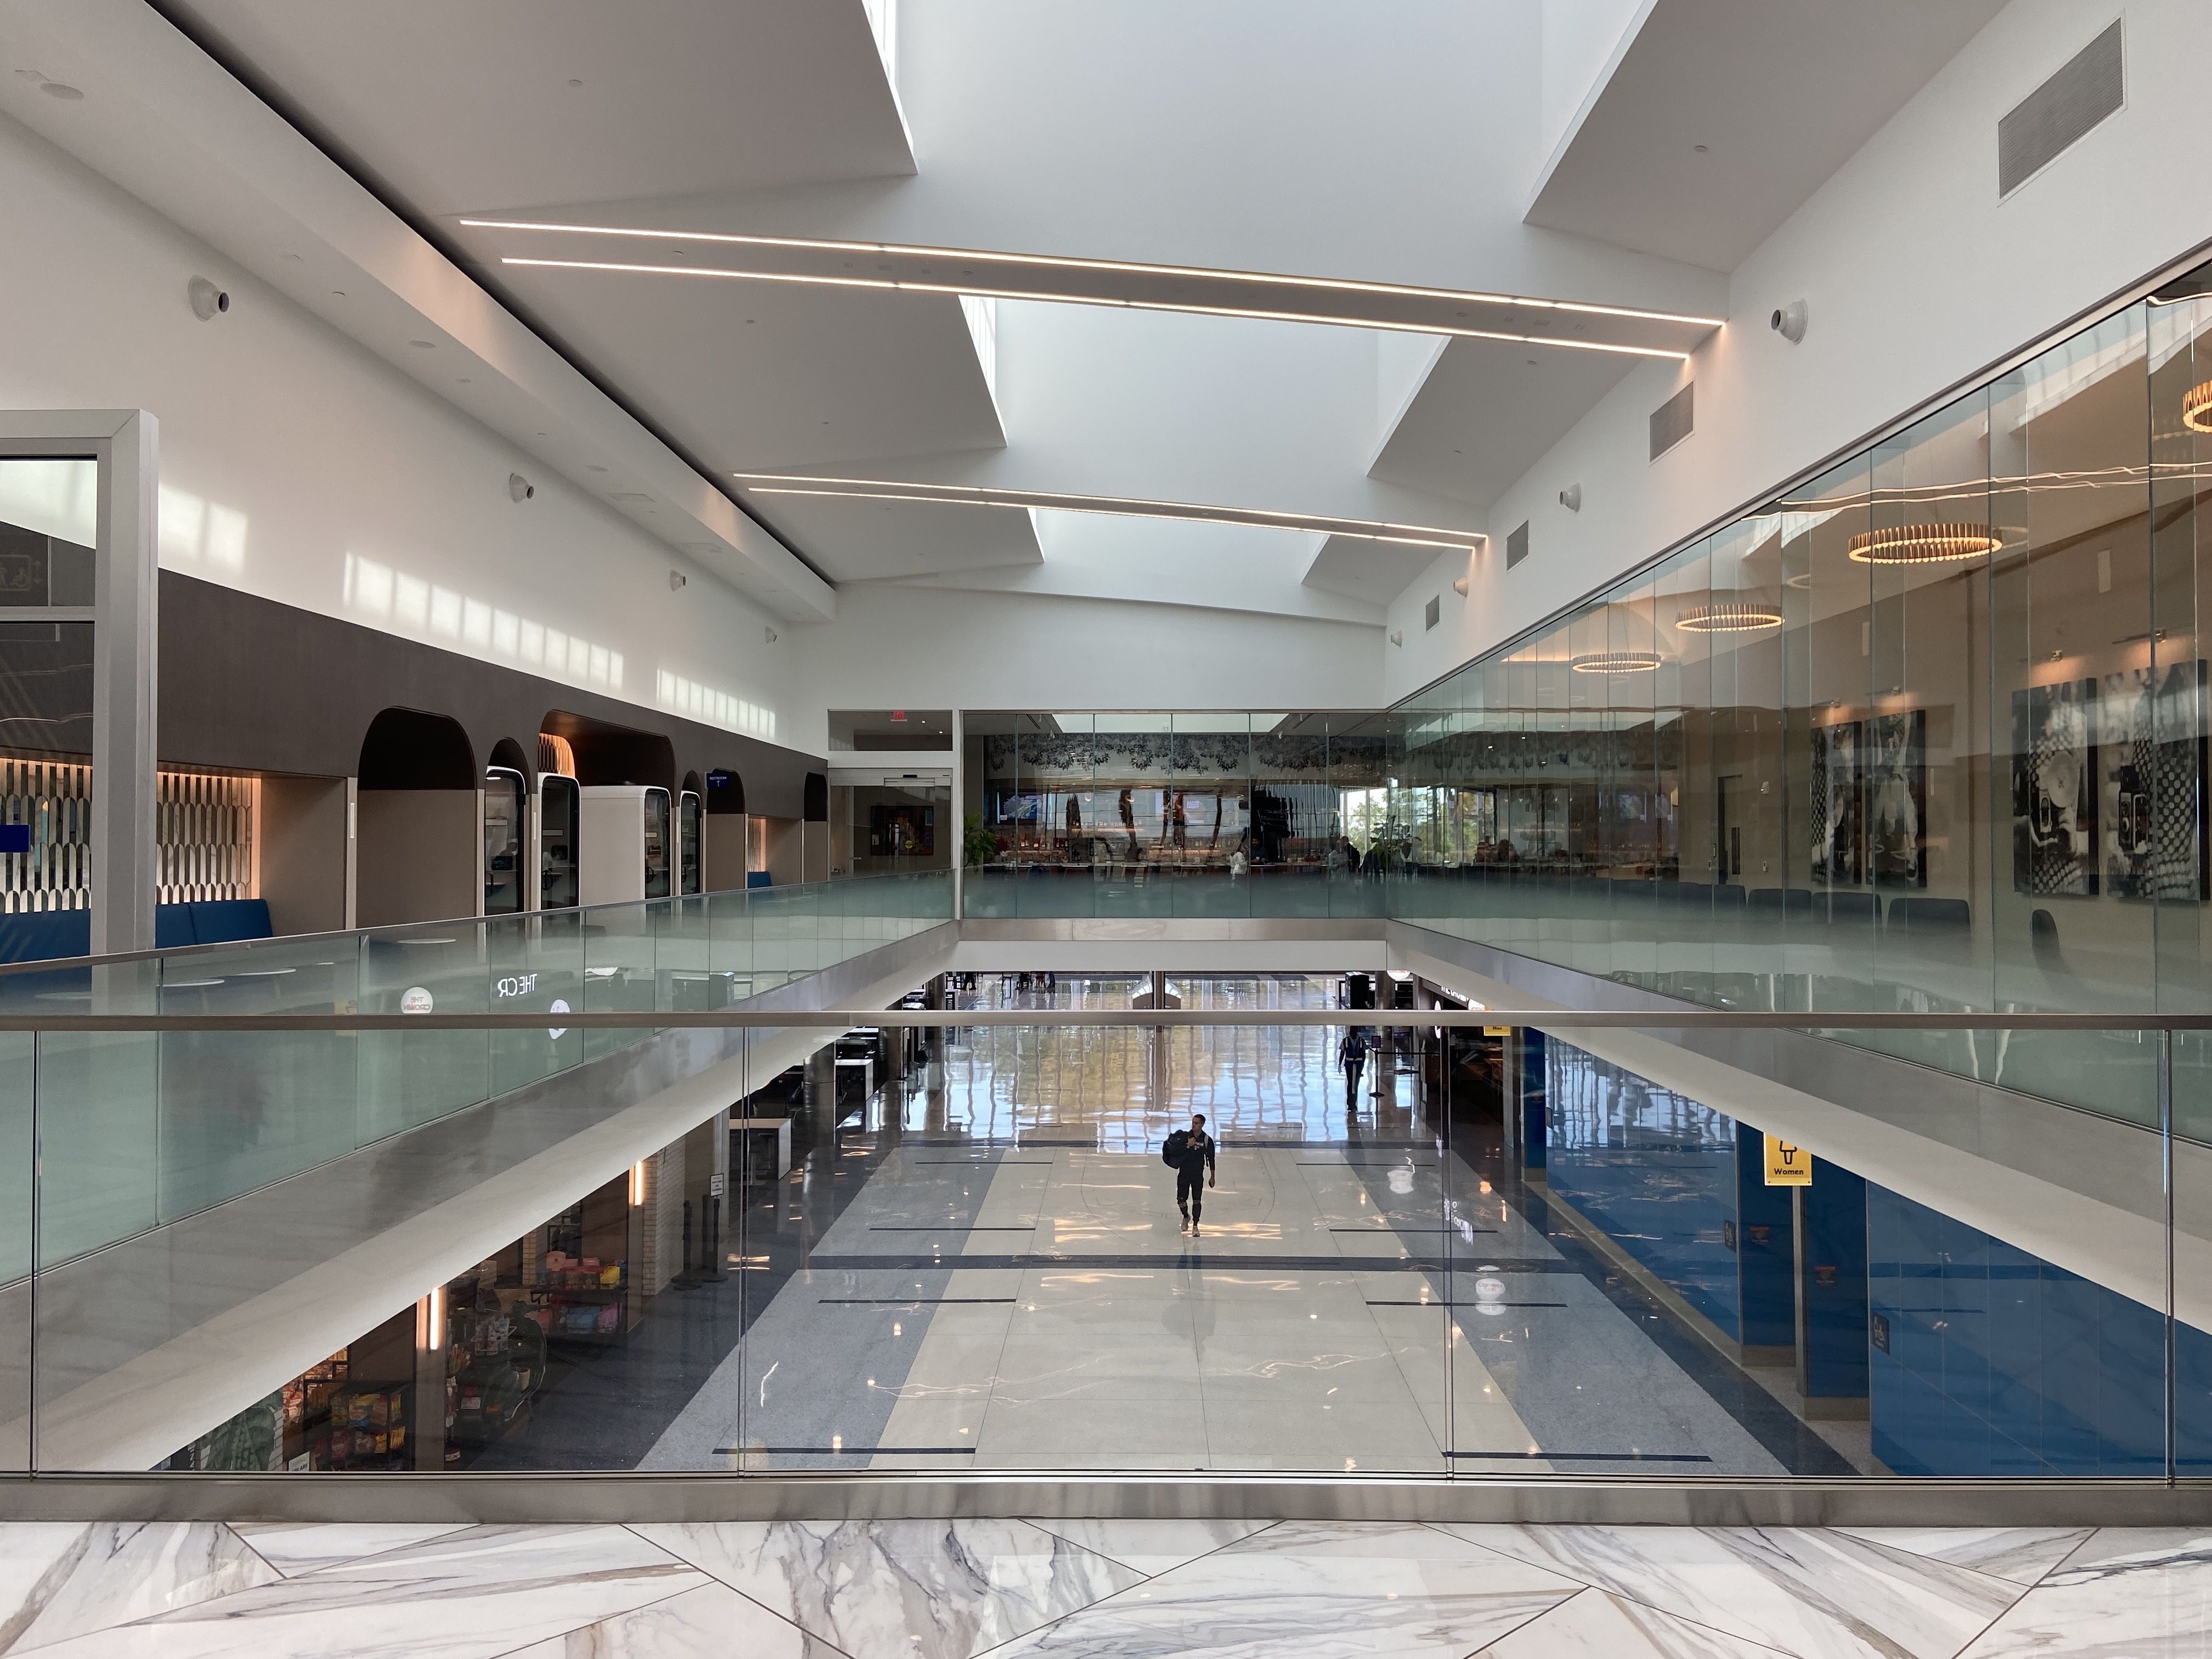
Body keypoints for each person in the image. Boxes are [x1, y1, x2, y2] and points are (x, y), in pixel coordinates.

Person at [1165, 1111, 1217, 1234]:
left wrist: (1212, 1176)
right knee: (1181, 1199)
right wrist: (1187, 1146)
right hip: (1184, 1173)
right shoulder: (1185, 1137)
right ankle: (1186, 1216)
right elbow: (1176, 1152)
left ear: (1202, 1125)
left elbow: (1211, 1158)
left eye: (1197, 1123)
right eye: (1193, 1122)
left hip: (1197, 1174)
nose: (1194, 1125)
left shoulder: (1206, 1140)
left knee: (1197, 1200)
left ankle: (1195, 1225)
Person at [1339, 1025, 1373, 1105]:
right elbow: (1342, 1053)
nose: (1352, 1032)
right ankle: (1350, 1100)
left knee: (1356, 1083)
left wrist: (1362, 1066)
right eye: (1351, 1031)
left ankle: (1353, 1101)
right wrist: (1340, 1064)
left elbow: (1364, 1055)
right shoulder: (1345, 1041)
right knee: (1350, 1082)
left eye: (1353, 1030)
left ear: (1356, 1031)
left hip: (1358, 1065)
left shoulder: (1361, 1041)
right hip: (1349, 1065)